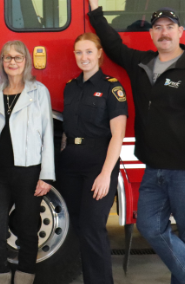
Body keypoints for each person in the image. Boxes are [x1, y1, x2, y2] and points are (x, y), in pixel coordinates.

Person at [87, 0, 185, 284]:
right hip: (153, 169)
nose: (164, 32)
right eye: (158, 27)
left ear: (180, 32)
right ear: (151, 34)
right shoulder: (142, 64)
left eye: (170, 27)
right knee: (149, 227)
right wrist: (95, 9)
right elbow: (112, 45)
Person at [0, 41, 54, 284]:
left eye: (18, 57)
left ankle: (24, 279)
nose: (12, 62)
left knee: (28, 230)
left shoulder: (38, 92)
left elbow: (47, 134)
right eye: (7, 57)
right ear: (2, 62)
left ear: (26, 62)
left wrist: (47, 175)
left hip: (29, 173)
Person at [57, 32, 127, 284]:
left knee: (93, 227)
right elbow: (67, 128)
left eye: (88, 51)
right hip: (71, 165)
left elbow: (117, 135)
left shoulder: (111, 87)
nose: (83, 57)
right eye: (79, 52)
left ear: (99, 53)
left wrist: (106, 174)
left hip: (99, 164)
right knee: (78, 226)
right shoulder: (70, 86)